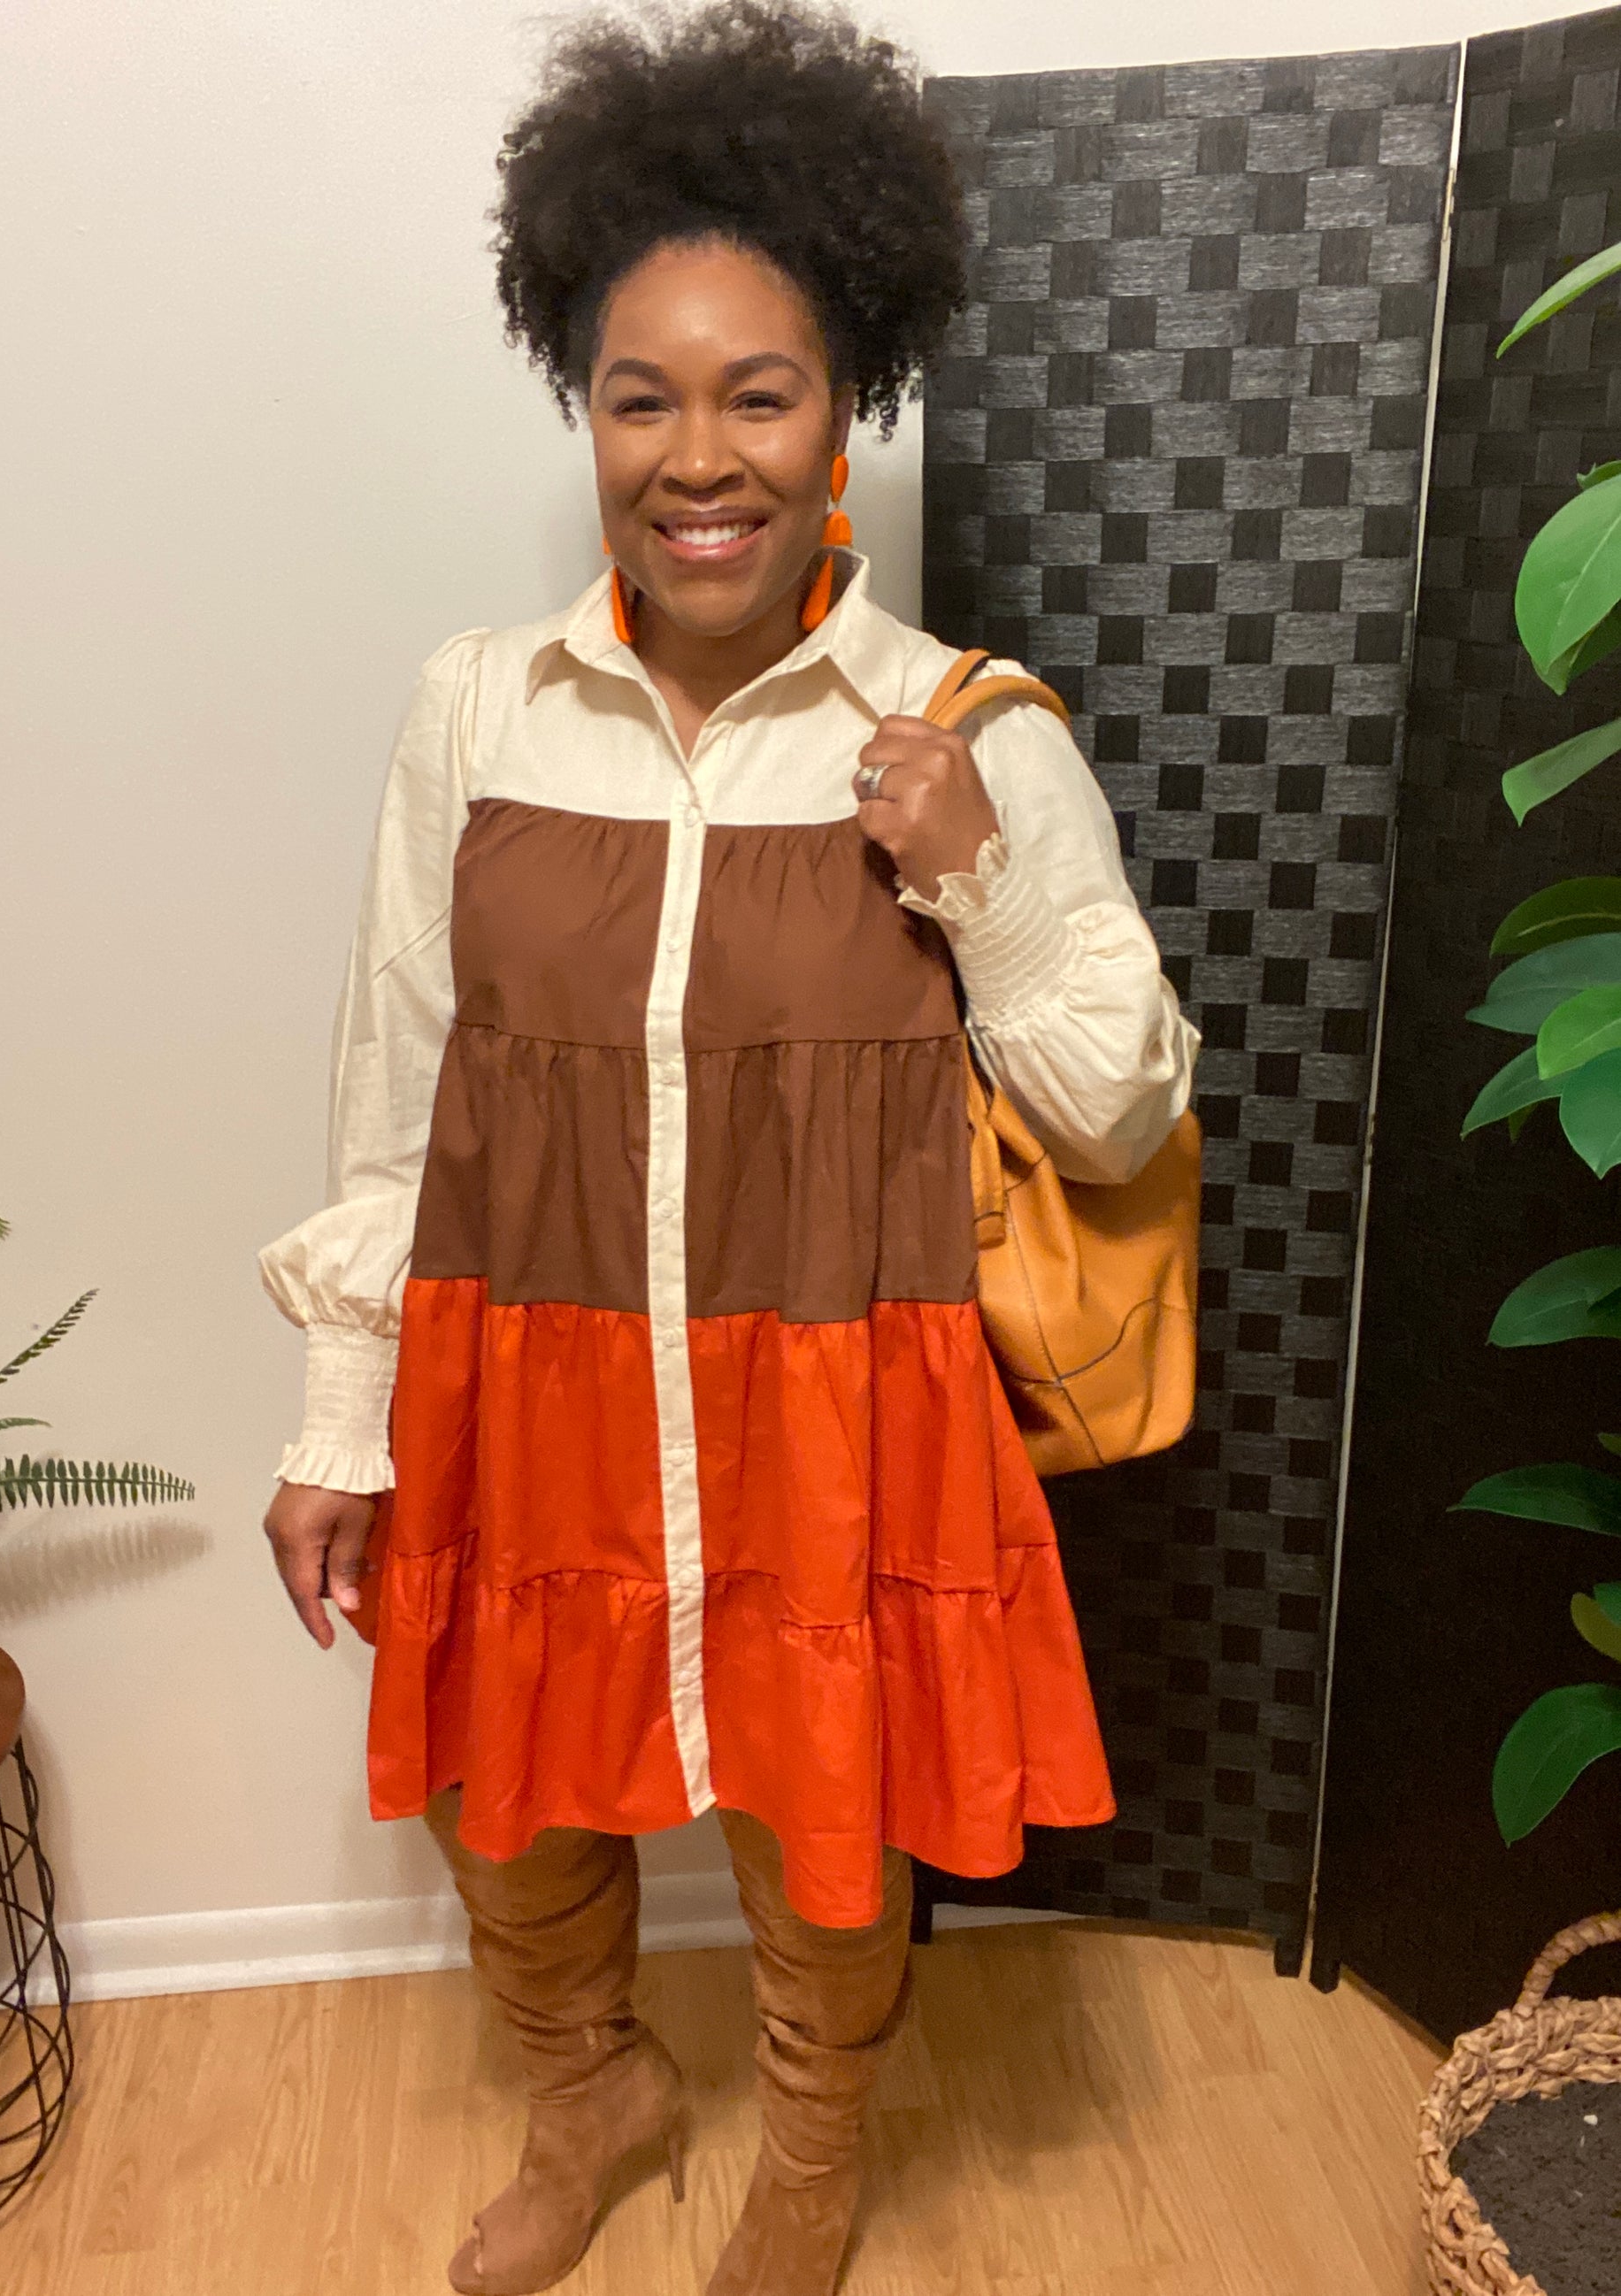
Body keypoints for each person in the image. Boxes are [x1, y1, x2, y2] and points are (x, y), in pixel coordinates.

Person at [259, 6, 1198, 2292]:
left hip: (829, 1386)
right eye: (639, 397)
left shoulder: (958, 730)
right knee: (503, 1803)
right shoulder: (481, 706)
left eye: (757, 394)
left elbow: (1121, 1104)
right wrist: (339, 1416)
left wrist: (972, 880)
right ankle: (590, 2090)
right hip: (528, 1363)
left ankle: (808, 2152)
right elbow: (398, 1076)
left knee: (821, 1815)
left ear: (845, 405)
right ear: (582, 410)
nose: (699, 457)